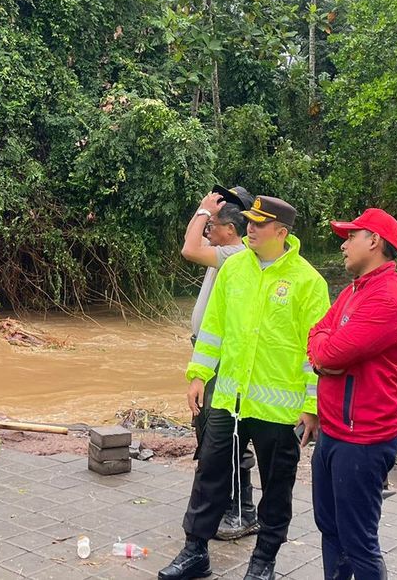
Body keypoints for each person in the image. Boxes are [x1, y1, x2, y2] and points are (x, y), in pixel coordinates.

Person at [160, 196, 330, 580]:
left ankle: (263, 562)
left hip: (279, 409)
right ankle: (195, 551)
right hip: (228, 400)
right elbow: (214, 329)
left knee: (277, 487)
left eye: (258, 224)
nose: (249, 228)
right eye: (249, 222)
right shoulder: (234, 268)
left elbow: (315, 352)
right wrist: (198, 375)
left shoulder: (308, 282)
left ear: (281, 232)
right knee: (210, 475)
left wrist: (311, 406)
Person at [308, 208, 397, 580]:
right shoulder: (357, 289)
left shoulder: (385, 298)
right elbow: (318, 335)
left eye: (351, 236)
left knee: (358, 540)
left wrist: (325, 354)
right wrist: (324, 355)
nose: (344, 244)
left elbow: (330, 352)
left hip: (363, 438)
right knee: (330, 528)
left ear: (375, 241)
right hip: (335, 431)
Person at [180, 185, 260, 541]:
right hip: (209, 356)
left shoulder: (233, 254)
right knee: (211, 433)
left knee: (225, 435)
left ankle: (243, 511)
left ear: (230, 229)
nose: (208, 229)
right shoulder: (226, 252)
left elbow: (188, 248)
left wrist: (201, 209)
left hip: (223, 362)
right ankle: (222, 505)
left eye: (212, 224)